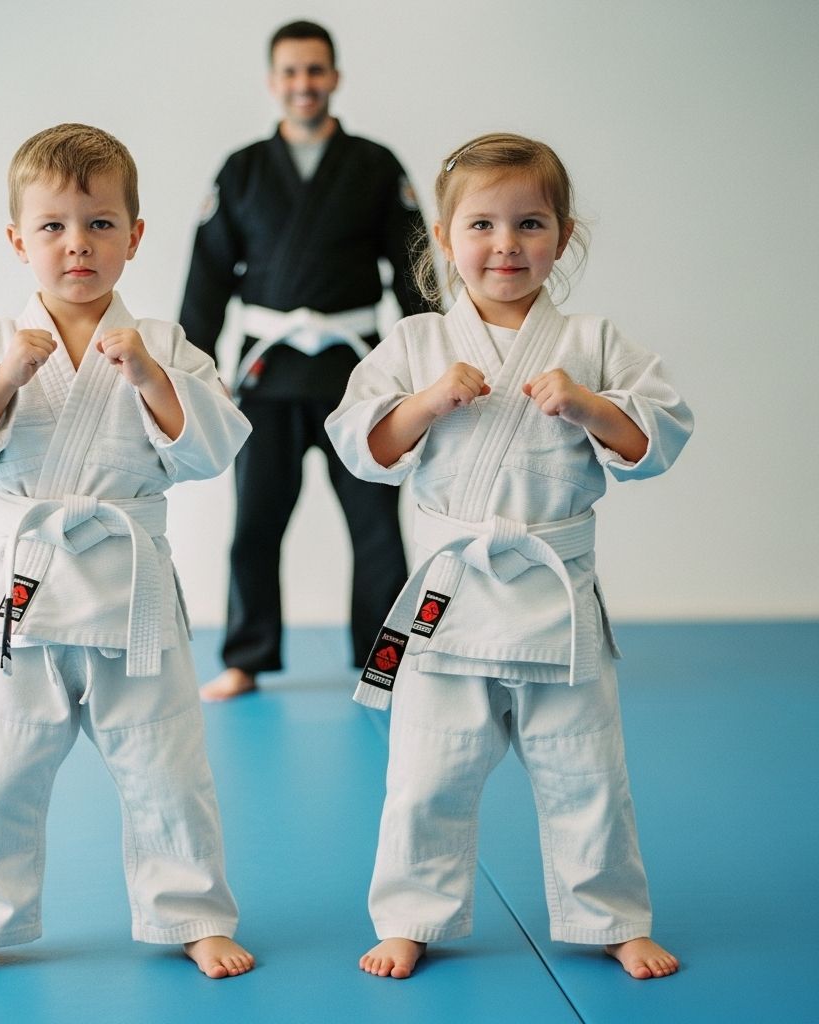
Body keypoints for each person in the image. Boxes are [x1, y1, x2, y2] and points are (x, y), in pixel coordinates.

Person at [326, 132, 693, 981]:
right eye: (482, 226)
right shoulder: (416, 343)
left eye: (530, 223)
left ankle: (612, 916)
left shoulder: (593, 339)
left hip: (556, 598)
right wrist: (428, 401)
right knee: (424, 774)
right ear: (446, 240)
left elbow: (657, 439)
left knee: (588, 772)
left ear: (562, 237)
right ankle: (412, 916)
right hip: (448, 604)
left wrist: (590, 406)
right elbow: (362, 445)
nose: (506, 244)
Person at [0, 124, 255, 985]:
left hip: (131, 586)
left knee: (165, 760)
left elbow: (212, 449)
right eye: (54, 225)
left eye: (100, 224)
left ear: (135, 237)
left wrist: (148, 379)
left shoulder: (163, 346)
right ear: (18, 239)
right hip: (25, 593)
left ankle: (194, 912)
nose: (77, 244)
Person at [179, 20, 438, 701]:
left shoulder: (376, 166)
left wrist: (436, 358)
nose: (304, 84)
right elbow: (207, 280)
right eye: (291, 72)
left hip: (361, 380)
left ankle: (388, 662)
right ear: (274, 82)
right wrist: (193, 372)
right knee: (256, 524)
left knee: (378, 528)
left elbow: (416, 272)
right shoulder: (241, 170)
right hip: (267, 379)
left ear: (335, 77)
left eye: (315, 71)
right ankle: (246, 658)